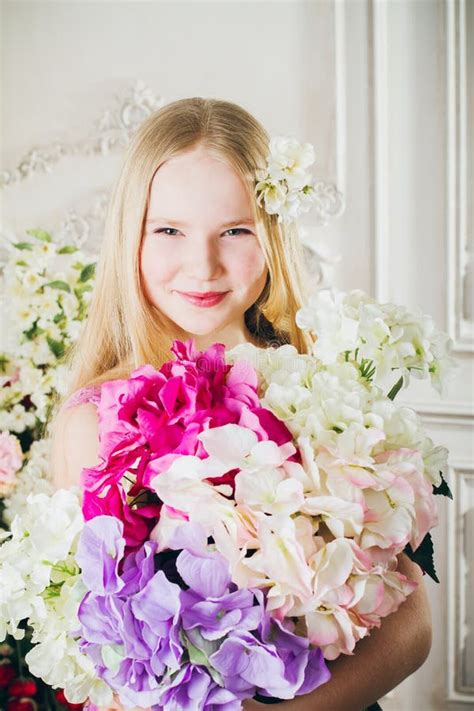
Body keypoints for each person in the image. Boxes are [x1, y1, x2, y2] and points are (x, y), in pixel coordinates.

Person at [47, 97, 432, 711]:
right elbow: (96, 648)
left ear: (274, 234)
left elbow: (412, 631)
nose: (202, 265)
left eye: (235, 230)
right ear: (131, 236)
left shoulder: (323, 391)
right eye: (168, 230)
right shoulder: (91, 421)